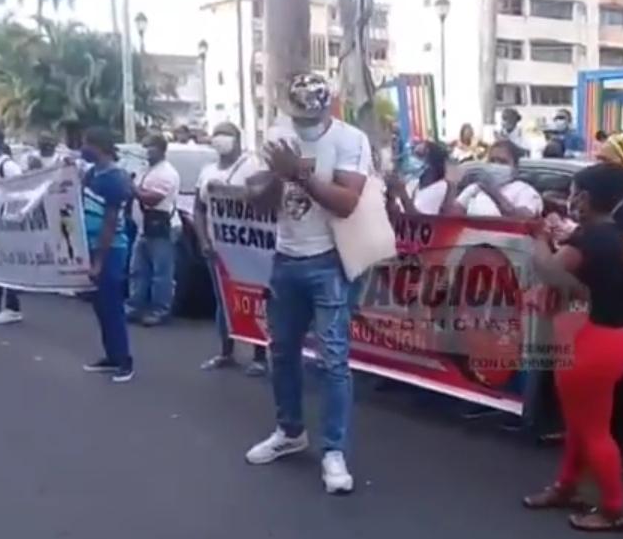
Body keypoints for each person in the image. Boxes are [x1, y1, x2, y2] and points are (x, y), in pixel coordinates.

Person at [243, 73, 374, 495]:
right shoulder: (278, 134)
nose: (303, 124)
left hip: (330, 259)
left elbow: (347, 202)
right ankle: (290, 430)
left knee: (333, 360)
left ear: (327, 107)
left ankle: (333, 450)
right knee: (281, 351)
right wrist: (271, 178)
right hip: (286, 257)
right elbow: (262, 202)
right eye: (297, 115)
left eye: (310, 116)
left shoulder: (350, 140)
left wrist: (298, 174)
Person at [523, 163, 623, 532]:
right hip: (608, 339)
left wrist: (538, 237)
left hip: (592, 343)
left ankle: (614, 509)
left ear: (585, 198)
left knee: (592, 431)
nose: (570, 200)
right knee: (580, 424)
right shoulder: (611, 235)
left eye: (573, 193)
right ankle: (567, 486)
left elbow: (548, 270)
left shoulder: (590, 240)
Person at [193, 122, 269, 376]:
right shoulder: (207, 171)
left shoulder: (252, 166)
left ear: (237, 139)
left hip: (248, 247)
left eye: (225, 134)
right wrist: (204, 241)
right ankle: (226, 352)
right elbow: (199, 209)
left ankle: (259, 356)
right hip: (218, 250)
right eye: (217, 134)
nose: (220, 139)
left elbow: (264, 202)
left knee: (253, 300)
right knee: (223, 302)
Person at [80, 127, 136, 383]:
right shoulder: (92, 173)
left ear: (98, 146)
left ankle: (124, 360)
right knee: (101, 306)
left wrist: (99, 261)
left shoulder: (115, 178)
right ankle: (111, 356)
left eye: (86, 144)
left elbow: (110, 222)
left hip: (111, 248)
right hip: (91, 245)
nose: (82, 148)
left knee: (112, 306)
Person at [125, 134, 180, 327]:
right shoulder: (145, 170)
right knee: (138, 270)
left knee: (161, 273)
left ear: (161, 149)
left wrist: (132, 188)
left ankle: (159, 310)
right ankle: (134, 307)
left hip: (162, 227)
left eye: (150, 147)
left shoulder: (166, 173)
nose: (146, 151)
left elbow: (151, 199)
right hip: (144, 227)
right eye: (145, 146)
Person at [442, 140, 542, 218]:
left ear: (515, 167)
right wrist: (451, 185)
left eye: (502, 162)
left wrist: (492, 192)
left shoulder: (524, 190)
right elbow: (451, 216)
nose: (496, 165)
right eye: (492, 161)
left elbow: (523, 218)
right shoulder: (475, 187)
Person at [0, 124, 24, 325]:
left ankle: (13, 307)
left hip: (7, 224)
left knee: (9, 267)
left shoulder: (7, 166)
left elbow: (22, 191)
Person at [386, 139, 450, 216]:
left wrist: (402, 193)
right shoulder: (414, 183)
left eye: (419, 155)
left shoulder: (440, 186)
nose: (413, 159)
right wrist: (390, 197)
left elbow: (420, 218)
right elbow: (397, 212)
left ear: (431, 162)